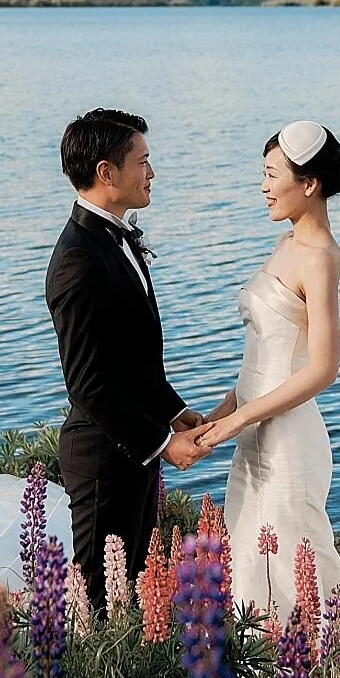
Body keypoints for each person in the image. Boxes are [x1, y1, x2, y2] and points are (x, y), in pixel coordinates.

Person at [194, 120, 340, 624]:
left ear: (308, 184)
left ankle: (329, 659)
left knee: (293, 563)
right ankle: (267, 665)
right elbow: (264, 357)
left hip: (288, 437)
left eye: (272, 175)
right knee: (249, 555)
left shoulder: (320, 257)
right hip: (253, 430)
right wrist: (221, 413)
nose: (263, 186)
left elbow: (324, 368)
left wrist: (241, 419)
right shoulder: (287, 242)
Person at [44, 108, 209, 613]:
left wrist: (172, 410)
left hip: (130, 449)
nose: (152, 173)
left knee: (134, 594)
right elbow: (88, 384)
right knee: (99, 606)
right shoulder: (77, 260)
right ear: (107, 173)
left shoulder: (113, 238)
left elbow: (131, 357)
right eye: (143, 162)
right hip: (101, 456)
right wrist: (162, 443)